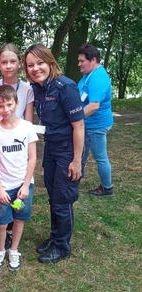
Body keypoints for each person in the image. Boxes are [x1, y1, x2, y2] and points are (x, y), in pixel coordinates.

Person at [23, 44, 89, 264]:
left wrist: (76, 161)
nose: (35, 68)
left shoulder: (65, 87)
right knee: (53, 196)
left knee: (62, 198)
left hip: (69, 149)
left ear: (50, 62)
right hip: (52, 146)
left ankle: (62, 247)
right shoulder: (38, 88)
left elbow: (79, 127)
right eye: (30, 65)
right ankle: (55, 237)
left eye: (40, 63)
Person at [0, 42, 34, 252]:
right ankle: (1, 227)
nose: (8, 65)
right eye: (4, 62)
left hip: (17, 142)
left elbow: (28, 120)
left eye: (12, 61)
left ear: (20, 63)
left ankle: (11, 230)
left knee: (17, 186)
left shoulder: (27, 89)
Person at [0, 85, 38, 272]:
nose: (5, 109)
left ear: (17, 103)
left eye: (9, 104)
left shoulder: (27, 127)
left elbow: (32, 158)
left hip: (23, 187)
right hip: (3, 187)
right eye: (0, 106)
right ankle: (1, 250)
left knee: (19, 219)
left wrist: (25, 186)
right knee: (1, 222)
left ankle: (13, 249)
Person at [78, 43, 114, 197]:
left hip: (96, 125)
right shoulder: (90, 74)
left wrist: (74, 118)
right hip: (88, 124)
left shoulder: (98, 78)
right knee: (80, 151)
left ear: (93, 60)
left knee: (100, 157)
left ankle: (107, 188)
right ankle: (76, 175)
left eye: (81, 61)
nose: (79, 64)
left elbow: (93, 105)